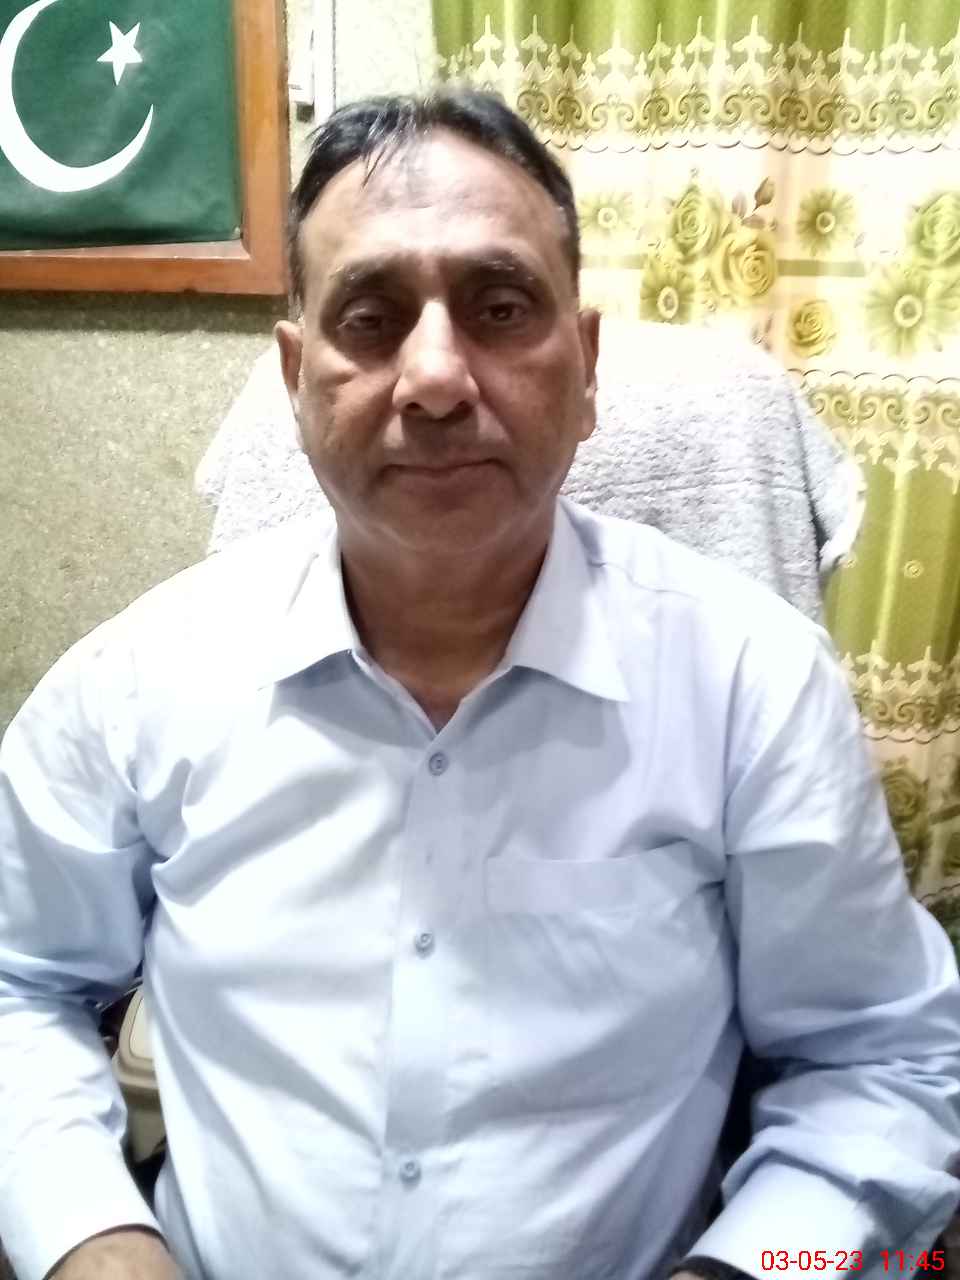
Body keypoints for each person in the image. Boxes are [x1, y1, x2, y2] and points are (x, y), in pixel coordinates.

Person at [0, 89, 958, 1280]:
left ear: (587, 366)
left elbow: (880, 1063)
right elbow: (18, 978)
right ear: (297, 380)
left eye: (500, 308)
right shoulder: (136, 680)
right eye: (371, 317)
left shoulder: (752, 685)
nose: (438, 378)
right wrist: (92, 1238)